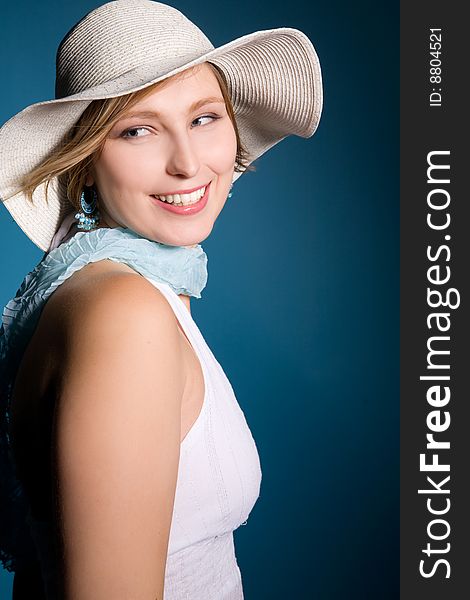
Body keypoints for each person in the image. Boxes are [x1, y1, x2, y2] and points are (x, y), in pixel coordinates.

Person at [0, 0, 323, 598]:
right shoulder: (124, 314)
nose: (187, 162)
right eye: (137, 130)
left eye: (204, 118)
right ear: (85, 161)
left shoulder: (119, 286)